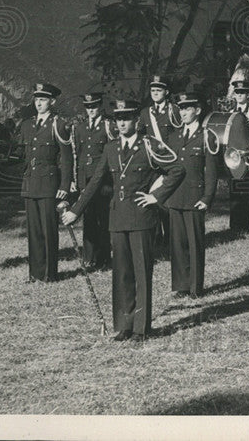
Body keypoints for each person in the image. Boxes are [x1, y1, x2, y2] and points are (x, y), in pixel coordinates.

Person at [62, 98, 172, 342]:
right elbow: (94, 182)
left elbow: (177, 169)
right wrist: (75, 211)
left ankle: (141, 328)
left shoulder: (148, 146)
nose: (122, 123)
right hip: (118, 218)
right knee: (121, 273)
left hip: (142, 217)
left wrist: (156, 196)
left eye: (126, 118)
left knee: (141, 273)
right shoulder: (111, 148)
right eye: (118, 119)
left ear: (136, 120)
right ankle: (124, 325)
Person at [149, 89, 218, 298]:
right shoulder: (174, 136)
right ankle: (181, 285)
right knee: (177, 244)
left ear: (197, 110)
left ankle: (196, 288)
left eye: (187, 108)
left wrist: (207, 198)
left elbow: (212, 171)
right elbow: (167, 165)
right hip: (175, 197)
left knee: (194, 243)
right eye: (181, 109)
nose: (183, 113)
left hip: (195, 198)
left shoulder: (207, 136)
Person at [14, 82, 73, 283]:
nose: (39, 103)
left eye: (43, 100)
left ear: (52, 102)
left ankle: (50, 273)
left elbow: (66, 159)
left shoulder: (59, 125)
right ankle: (35, 273)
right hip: (30, 183)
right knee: (34, 232)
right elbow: (19, 154)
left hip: (49, 185)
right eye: (37, 99)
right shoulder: (27, 125)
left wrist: (65, 186)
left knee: (49, 230)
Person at [71, 91, 115, 270]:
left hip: (104, 182)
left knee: (103, 220)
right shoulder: (79, 128)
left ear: (100, 107)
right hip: (85, 180)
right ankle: (89, 258)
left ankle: (104, 258)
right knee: (88, 220)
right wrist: (77, 180)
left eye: (94, 106)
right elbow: (78, 156)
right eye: (88, 107)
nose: (91, 110)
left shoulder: (108, 126)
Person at [139, 75, 179, 251]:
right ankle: (156, 241)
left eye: (159, 90)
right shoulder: (145, 113)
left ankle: (171, 242)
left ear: (166, 92)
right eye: (153, 90)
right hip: (152, 163)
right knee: (153, 202)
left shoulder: (174, 111)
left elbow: (180, 135)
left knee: (168, 203)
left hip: (170, 162)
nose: (155, 93)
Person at [227, 78, 249, 233]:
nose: (240, 95)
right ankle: (234, 225)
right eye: (237, 92)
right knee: (234, 190)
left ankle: (245, 225)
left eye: (243, 92)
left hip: (248, 157)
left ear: (248, 94)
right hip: (233, 157)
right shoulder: (230, 112)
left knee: (246, 191)